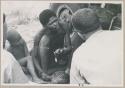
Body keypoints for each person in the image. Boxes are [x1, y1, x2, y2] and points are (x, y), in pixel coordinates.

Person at [70, 8, 123, 85]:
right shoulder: (120, 35)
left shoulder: (77, 55)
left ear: (79, 33)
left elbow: (75, 84)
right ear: (99, 23)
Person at [2, 14, 46, 84]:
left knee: (33, 54)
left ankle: (39, 72)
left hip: (25, 61)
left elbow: (27, 54)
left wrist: (30, 63)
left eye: (20, 38)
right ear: (12, 44)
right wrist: (22, 68)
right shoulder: (10, 49)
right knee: (29, 59)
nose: (20, 41)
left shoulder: (22, 42)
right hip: (18, 63)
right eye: (17, 41)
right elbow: (13, 63)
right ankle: (35, 78)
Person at [32, 9, 72, 82]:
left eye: (55, 20)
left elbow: (69, 47)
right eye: (51, 23)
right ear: (44, 26)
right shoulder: (39, 35)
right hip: (44, 58)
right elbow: (34, 57)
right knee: (45, 40)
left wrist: (63, 50)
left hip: (56, 54)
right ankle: (45, 71)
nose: (55, 24)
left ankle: (52, 70)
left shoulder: (64, 25)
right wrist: (41, 72)